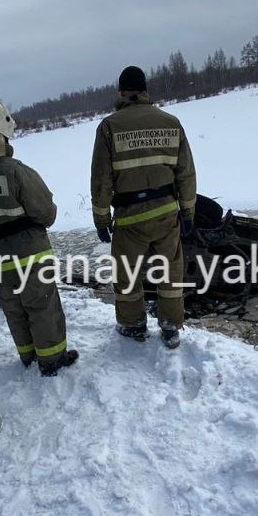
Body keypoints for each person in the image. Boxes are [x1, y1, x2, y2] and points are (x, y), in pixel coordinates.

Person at [0, 97, 78, 376]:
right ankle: (52, 360)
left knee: (14, 308)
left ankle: (27, 356)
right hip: (31, 253)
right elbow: (46, 212)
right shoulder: (16, 170)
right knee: (42, 307)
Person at [90, 65, 197, 349]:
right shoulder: (171, 122)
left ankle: (134, 324)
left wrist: (101, 220)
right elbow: (185, 172)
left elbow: (101, 180)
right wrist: (188, 212)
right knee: (170, 271)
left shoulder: (109, 127)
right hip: (166, 213)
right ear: (146, 89)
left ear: (122, 91)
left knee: (127, 274)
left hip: (129, 218)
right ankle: (171, 327)